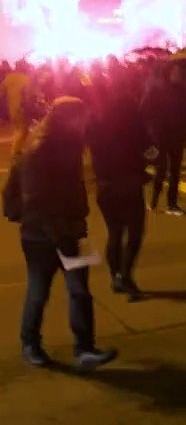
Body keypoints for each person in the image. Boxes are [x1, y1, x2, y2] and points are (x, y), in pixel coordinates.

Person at [8, 97, 117, 370]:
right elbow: (37, 200)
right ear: (65, 118)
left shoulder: (70, 144)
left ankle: (85, 349)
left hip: (71, 230)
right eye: (81, 117)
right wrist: (60, 237)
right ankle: (30, 344)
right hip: (43, 237)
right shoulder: (40, 149)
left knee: (80, 291)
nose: (85, 122)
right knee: (38, 292)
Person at [87, 80, 153, 300]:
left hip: (106, 184)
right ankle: (126, 275)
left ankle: (116, 276)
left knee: (115, 232)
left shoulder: (94, 120)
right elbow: (149, 147)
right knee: (134, 232)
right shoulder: (132, 119)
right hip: (129, 182)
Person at [141, 61, 186, 215]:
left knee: (175, 170)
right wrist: (154, 127)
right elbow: (145, 110)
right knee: (161, 168)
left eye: (179, 73)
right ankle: (154, 199)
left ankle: (172, 203)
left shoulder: (183, 91)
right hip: (161, 135)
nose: (177, 75)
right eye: (175, 72)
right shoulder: (156, 91)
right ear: (168, 73)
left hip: (178, 134)